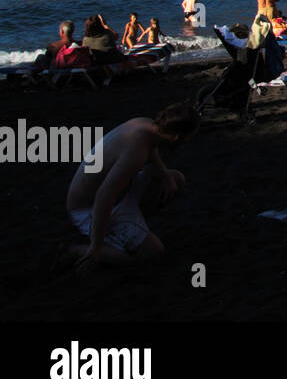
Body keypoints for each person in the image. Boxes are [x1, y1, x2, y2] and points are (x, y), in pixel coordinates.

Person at [60, 102, 198, 274]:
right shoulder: (136, 150)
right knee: (152, 254)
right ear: (177, 137)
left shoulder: (147, 125)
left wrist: (165, 175)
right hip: (88, 209)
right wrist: (96, 246)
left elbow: (152, 154)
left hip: (119, 195)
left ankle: (130, 231)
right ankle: (79, 250)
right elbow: (104, 196)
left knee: (175, 178)